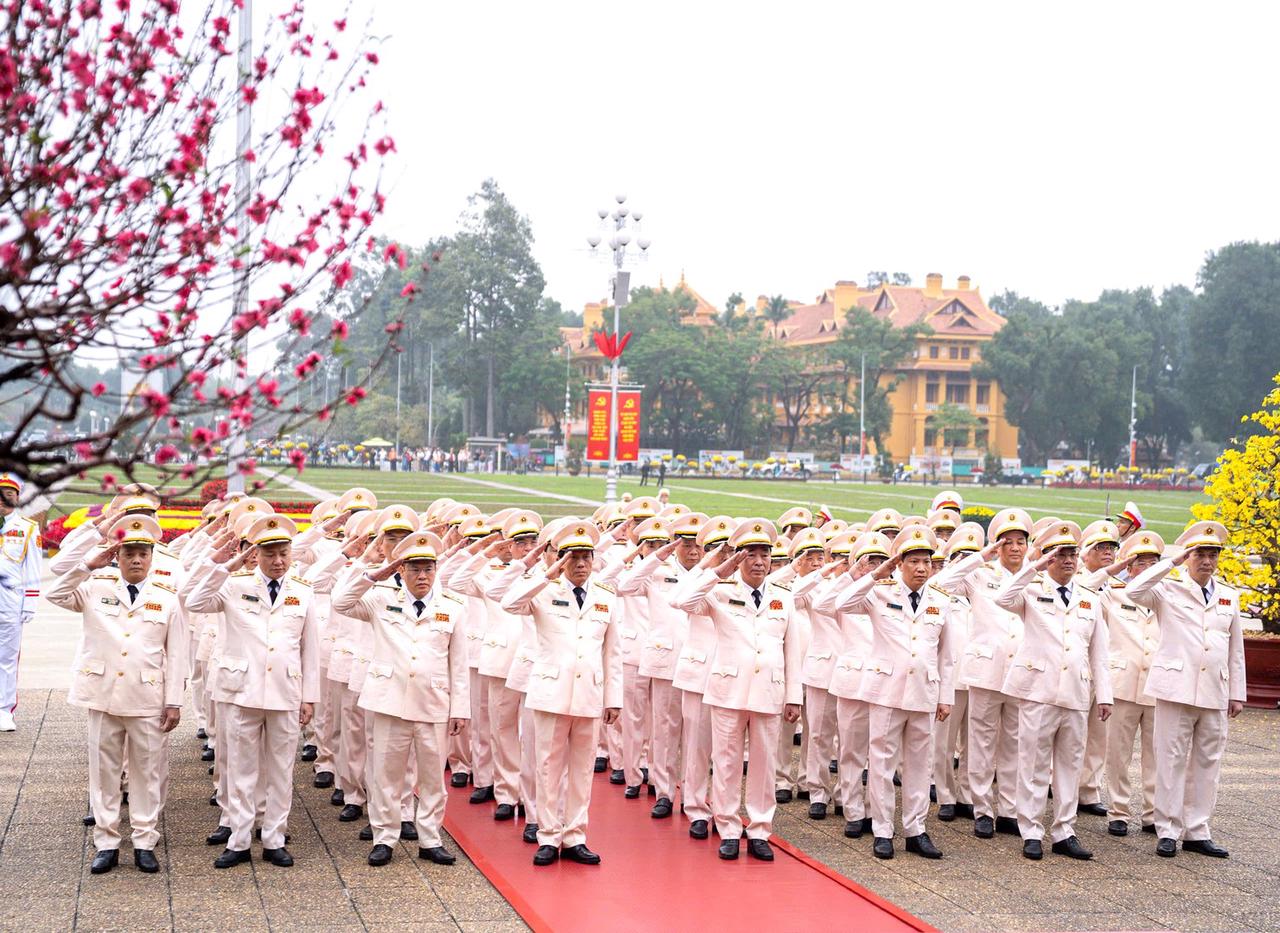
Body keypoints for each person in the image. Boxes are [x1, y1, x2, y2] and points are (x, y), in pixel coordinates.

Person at [47, 516, 185, 874]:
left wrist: (174, 700)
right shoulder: (95, 586)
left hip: (146, 698)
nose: (136, 560)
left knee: (146, 773)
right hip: (103, 694)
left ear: (152, 557)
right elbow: (55, 593)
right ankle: (106, 841)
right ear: (116, 556)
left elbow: (179, 654)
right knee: (104, 772)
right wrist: (86, 566)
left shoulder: (167, 599)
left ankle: (144, 840)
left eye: (142, 553)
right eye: (128, 554)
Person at [187, 515, 321, 869]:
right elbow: (194, 601)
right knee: (241, 771)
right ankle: (239, 839)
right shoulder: (232, 585)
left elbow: (311, 649)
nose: (278, 561)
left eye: (283, 553)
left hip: (285, 692)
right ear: (255, 555)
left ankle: (274, 838)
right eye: (270, 554)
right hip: (242, 691)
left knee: (281, 771)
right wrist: (226, 565)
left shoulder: (303, 591)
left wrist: (310, 697)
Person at [331, 531, 469, 866]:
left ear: (436, 570)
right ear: (402, 570)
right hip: (390, 701)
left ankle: (430, 838)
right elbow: (340, 603)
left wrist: (460, 709)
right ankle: (385, 837)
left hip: (433, 703)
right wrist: (374, 576)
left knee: (433, 779)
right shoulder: (381, 599)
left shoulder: (452, 607)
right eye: (415, 569)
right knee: (386, 776)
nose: (422, 576)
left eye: (428, 569)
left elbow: (459, 664)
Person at [671, 518, 803, 862]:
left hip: (769, 692)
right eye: (751, 554)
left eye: (765, 554)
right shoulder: (719, 591)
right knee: (726, 762)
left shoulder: (783, 597)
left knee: (763, 764)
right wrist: (718, 570)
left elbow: (793, 649)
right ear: (738, 558)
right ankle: (728, 827)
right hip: (728, 690)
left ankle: (760, 828)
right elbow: (680, 600)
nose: (758, 561)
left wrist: (794, 696)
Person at [825, 526, 956, 860]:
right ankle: (883, 830)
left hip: (924, 693)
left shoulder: (940, 600)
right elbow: (842, 602)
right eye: (913, 561)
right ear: (901, 564)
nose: (922, 568)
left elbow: (947, 654)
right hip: (885, 691)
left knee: (919, 765)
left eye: (926, 561)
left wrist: (946, 696)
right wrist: (877, 573)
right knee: (881, 765)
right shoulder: (880, 592)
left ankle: (916, 830)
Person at [500, 521, 623, 866]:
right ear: (560, 559)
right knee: (548, 766)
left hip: (589, 694)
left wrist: (614, 699)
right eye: (573, 557)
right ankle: (548, 835)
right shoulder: (541, 590)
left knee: (582, 771)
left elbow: (613, 654)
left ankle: (575, 836)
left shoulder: (606, 597)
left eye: (586, 556)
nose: (581, 564)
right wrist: (545, 572)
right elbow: (508, 602)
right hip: (551, 692)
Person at [1125, 520, 1245, 859]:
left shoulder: (1228, 596)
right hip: (1175, 687)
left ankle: (1197, 829)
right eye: (1199, 555)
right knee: (1171, 759)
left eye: (1212, 555)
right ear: (1188, 557)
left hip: (1213, 690)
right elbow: (1133, 590)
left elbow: (1235, 649)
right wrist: (1172, 562)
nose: (1206, 561)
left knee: (1208, 761)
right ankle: (1167, 829)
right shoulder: (1168, 589)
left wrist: (1237, 691)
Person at [995, 521, 1112, 861]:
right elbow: (1003, 597)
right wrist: (1033, 567)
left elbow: (1099, 651)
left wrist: (1104, 694)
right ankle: (1031, 830)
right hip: (1039, 690)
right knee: (1032, 764)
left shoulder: (1089, 597)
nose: (1068, 560)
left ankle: (1064, 830)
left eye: (1072, 554)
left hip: (1075, 692)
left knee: (1069, 765)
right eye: (1060, 555)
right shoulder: (1030, 588)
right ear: (1047, 558)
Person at [932, 507, 1032, 841]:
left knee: (1014, 744)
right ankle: (982, 809)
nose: (1015, 548)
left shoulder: (1036, 576)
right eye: (1008, 543)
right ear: (997, 546)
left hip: (1021, 671)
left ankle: (1008, 809)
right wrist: (979, 557)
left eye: (1020, 542)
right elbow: (939, 584)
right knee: (980, 743)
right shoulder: (981, 574)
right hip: (986, 670)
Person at [1093, 530, 1165, 837]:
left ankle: (1153, 812)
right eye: (1140, 563)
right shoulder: (1114, 594)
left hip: (1157, 685)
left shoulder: (1170, 596)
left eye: (1153, 563)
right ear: (1129, 566)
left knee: (1157, 754)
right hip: (1122, 683)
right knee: (1118, 753)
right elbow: (1087, 589)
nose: (1146, 570)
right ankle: (1119, 811)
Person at [1075, 520, 1122, 818]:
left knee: (1098, 733)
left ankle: (1088, 789)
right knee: (1070, 730)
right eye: (1101, 548)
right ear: (1086, 553)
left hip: (1107, 667)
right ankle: (1061, 781)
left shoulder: (1120, 587)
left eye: (1112, 548)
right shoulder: (1075, 581)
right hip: (1076, 665)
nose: (1107, 553)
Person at [0, 473, 41, 733]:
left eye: (8, 496)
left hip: (10, 599)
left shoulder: (27, 528)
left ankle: (4, 710)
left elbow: (33, 568)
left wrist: (30, 604)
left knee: (7, 657)